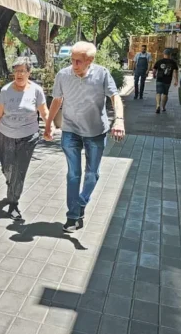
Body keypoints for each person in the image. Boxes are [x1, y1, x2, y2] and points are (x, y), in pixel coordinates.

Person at [44, 42, 125, 232]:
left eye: (78, 61)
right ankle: (72, 216)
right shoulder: (63, 75)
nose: (74, 64)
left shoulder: (102, 74)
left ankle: (81, 202)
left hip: (96, 131)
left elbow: (115, 97)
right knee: (73, 174)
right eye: (72, 60)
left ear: (90, 61)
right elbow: (57, 100)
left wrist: (119, 120)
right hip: (70, 130)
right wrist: (48, 125)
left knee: (92, 174)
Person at [0, 57, 49, 220]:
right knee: (7, 168)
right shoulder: (6, 91)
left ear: (29, 72)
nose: (19, 74)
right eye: (16, 71)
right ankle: (12, 184)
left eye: (22, 71)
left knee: (20, 169)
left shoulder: (36, 90)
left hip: (28, 136)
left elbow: (44, 112)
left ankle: (13, 203)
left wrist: (50, 127)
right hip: (6, 135)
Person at [152, 49, 179, 114]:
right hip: (167, 80)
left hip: (159, 79)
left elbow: (154, 70)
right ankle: (163, 107)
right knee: (165, 93)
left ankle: (158, 105)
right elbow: (175, 72)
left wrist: (154, 75)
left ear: (163, 54)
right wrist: (176, 80)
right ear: (170, 55)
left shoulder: (159, 61)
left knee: (158, 92)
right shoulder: (173, 62)